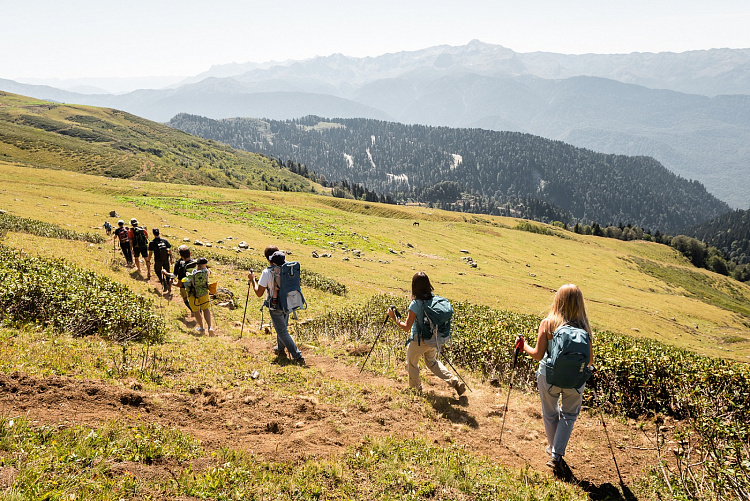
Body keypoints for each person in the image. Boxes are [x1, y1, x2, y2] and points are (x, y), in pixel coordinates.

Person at [518, 283, 594, 471]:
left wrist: (524, 345)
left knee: (550, 413)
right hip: (575, 381)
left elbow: (537, 354)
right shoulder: (584, 328)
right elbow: (590, 361)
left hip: (548, 377)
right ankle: (556, 454)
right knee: (569, 415)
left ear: (557, 300)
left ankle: (554, 451)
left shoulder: (548, 323)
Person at [387, 271, 465, 396]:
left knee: (412, 363)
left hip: (420, 340)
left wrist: (393, 318)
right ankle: (454, 381)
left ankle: (415, 390)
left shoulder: (416, 304)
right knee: (432, 362)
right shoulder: (433, 299)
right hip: (434, 339)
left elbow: (406, 327)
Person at [248, 246, 305, 365]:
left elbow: (259, 293)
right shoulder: (289, 268)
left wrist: (253, 280)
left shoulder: (267, 272)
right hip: (289, 302)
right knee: (282, 327)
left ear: (268, 259)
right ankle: (280, 349)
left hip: (275, 305)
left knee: (282, 330)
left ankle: (297, 355)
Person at [183, 257, 214, 335]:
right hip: (204, 292)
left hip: (194, 294)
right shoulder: (206, 272)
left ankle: (202, 328)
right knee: (205, 309)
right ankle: (210, 327)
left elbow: (189, 282)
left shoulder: (194, 273)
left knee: (196, 311)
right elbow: (209, 273)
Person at [148, 228, 173, 293]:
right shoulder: (165, 241)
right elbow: (170, 251)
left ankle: (163, 282)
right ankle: (169, 286)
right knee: (167, 272)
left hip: (158, 260)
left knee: (157, 271)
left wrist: (148, 260)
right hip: (166, 259)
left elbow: (150, 253)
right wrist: (171, 258)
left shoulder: (152, 242)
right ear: (159, 233)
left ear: (153, 234)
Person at [173, 245, 196, 311]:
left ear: (181, 256)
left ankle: (193, 310)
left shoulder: (181, 267)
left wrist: (173, 283)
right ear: (190, 253)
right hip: (196, 285)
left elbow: (180, 284)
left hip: (185, 287)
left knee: (185, 298)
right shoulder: (196, 263)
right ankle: (196, 309)